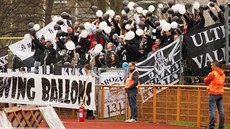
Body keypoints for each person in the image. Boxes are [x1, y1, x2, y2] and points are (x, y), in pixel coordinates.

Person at [204, 60, 225, 129]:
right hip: (220, 94)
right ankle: (221, 126)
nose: (211, 66)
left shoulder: (212, 73)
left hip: (213, 93)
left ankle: (211, 126)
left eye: (211, 65)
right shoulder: (223, 74)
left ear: (214, 66)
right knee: (221, 111)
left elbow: (206, 81)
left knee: (212, 111)